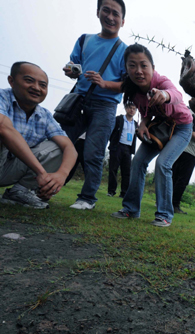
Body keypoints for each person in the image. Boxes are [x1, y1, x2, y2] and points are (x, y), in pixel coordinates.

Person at [111, 44, 192, 227]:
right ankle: (131, 209)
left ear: (152, 68)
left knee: (163, 163)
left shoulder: (161, 81)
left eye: (143, 65)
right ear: (126, 68)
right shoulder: (134, 91)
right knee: (138, 162)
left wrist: (164, 94)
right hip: (161, 128)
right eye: (132, 65)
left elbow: (177, 94)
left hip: (182, 128)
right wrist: (142, 125)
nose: (138, 71)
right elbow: (146, 112)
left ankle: (164, 215)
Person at [61, 0, 128, 210]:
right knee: (59, 143)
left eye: (115, 14)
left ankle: (87, 198)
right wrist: (71, 70)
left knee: (94, 153)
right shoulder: (84, 40)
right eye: (106, 11)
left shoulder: (125, 51)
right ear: (98, 12)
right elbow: (72, 64)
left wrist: (104, 82)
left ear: (122, 21)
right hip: (78, 101)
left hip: (106, 106)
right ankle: (41, 186)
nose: (110, 17)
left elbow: (128, 85)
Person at [0, 62, 77, 209]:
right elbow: (3, 127)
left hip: (8, 169)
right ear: (11, 81)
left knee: (58, 147)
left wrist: (61, 175)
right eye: (29, 80)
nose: (36, 88)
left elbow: (69, 147)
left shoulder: (45, 115)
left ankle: (19, 191)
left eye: (42, 85)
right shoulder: (2, 97)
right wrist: (41, 173)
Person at [107, 102, 138, 197]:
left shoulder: (136, 124)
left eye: (134, 108)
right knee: (113, 169)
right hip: (117, 147)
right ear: (125, 108)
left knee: (126, 171)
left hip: (128, 149)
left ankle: (124, 193)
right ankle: (111, 191)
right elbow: (110, 131)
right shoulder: (118, 119)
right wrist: (113, 143)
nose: (132, 110)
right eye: (130, 108)